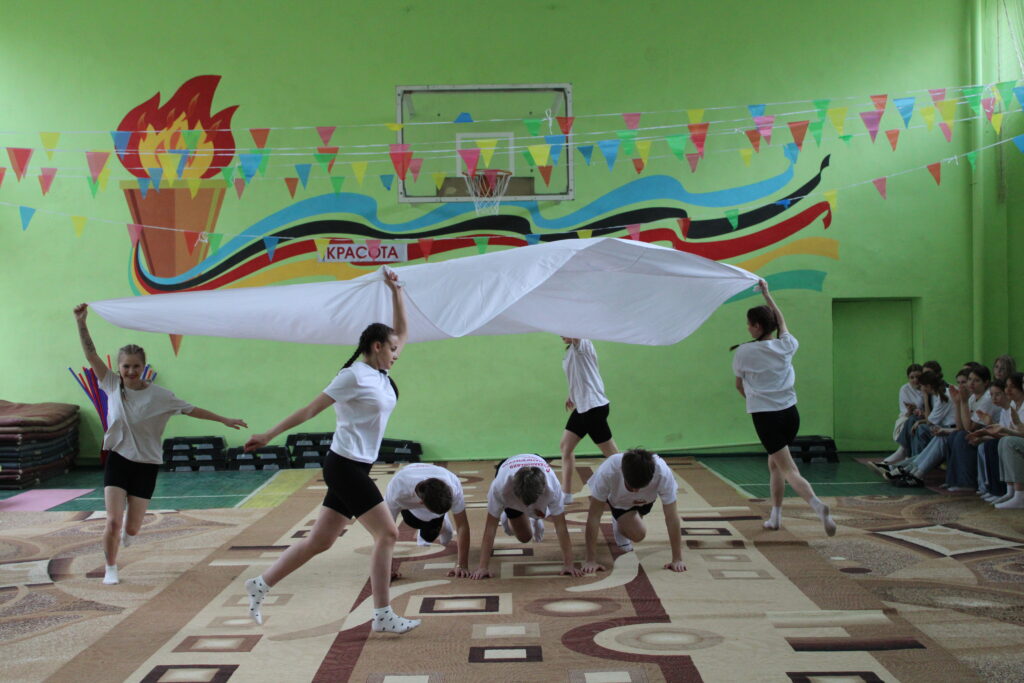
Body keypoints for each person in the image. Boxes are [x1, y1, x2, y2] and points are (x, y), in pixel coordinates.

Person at [242, 268, 421, 634]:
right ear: (376, 346)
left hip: (357, 466)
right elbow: (310, 410)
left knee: (320, 541)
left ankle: (260, 584)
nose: (397, 354)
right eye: (391, 349)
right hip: (344, 466)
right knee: (387, 534)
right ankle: (383, 615)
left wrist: (397, 292)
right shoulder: (352, 375)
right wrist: (269, 434)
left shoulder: (381, 373)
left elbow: (402, 332)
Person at [73, 303, 246, 586]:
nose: (131, 371)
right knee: (112, 521)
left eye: (136, 366)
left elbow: (192, 409)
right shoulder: (111, 384)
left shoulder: (161, 396)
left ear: (144, 367)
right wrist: (81, 322)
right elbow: (91, 354)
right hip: (118, 458)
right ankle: (111, 567)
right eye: (126, 366)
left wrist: (224, 420)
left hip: (147, 464)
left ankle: (129, 533)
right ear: (119, 367)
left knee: (132, 528)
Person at [731, 281, 836, 536]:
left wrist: (753, 399)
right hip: (790, 415)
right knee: (775, 465)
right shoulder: (786, 345)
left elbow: (739, 386)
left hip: (766, 418)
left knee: (789, 469)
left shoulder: (744, 352)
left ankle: (817, 505)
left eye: (749, 324)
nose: (747, 327)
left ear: (757, 326)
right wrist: (767, 295)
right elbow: (782, 321)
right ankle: (775, 517)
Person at [471, 453, 583, 579]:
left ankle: (534, 517)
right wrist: (483, 567)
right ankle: (507, 516)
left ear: (543, 490)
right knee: (524, 537)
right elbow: (490, 528)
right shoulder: (500, 488)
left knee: (541, 512)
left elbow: (561, 526)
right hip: (508, 476)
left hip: (536, 472)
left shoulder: (553, 487)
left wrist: (569, 564)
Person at [580, 448, 685, 574]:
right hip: (619, 503)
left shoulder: (663, 473)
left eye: (641, 487)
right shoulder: (608, 471)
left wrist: (677, 559)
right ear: (622, 472)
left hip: (645, 502)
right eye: (631, 486)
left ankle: (623, 521)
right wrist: (590, 560)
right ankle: (620, 519)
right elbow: (594, 516)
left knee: (635, 531)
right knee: (638, 533)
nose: (635, 491)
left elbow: (671, 517)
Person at [559, 337, 619, 504]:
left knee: (613, 456)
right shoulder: (571, 351)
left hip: (594, 408)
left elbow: (577, 334)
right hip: (583, 407)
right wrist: (572, 395)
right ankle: (566, 494)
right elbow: (580, 375)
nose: (561, 335)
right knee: (565, 447)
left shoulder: (583, 343)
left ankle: (630, 486)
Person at [384, 463, 471, 577]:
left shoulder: (453, 486)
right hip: (409, 502)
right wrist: (387, 569)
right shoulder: (396, 491)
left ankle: (443, 523)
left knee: (428, 536)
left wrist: (462, 565)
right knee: (411, 521)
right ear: (421, 503)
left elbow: (462, 525)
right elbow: (385, 532)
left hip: (430, 497)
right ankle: (439, 521)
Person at [878, 363, 925, 469]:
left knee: (912, 420)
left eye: (918, 377)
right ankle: (904, 454)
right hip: (909, 417)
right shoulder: (905, 389)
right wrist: (910, 410)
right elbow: (905, 412)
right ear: (908, 378)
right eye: (912, 377)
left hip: (922, 417)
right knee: (910, 420)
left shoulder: (926, 388)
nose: (915, 380)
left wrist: (919, 411)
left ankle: (902, 453)